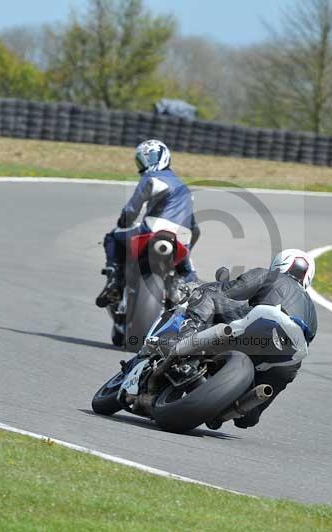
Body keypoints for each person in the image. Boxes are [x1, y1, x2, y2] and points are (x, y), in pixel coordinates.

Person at [181, 249, 318, 429]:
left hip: (262, 324)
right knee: (248, 418)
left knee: (209, 294)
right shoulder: (312, 311)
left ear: (279, 264)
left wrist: (204, 288)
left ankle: (186, 339)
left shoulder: (269, 275)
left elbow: (228, 293)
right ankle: (243, 406)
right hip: (288, 357)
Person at [96, 140, 199, 308]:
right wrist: (187, 247)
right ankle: (182, 291)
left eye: (149, 158)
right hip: (181, 238)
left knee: (112, 237)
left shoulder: (150, 177)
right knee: (189, 273)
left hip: (153, 230)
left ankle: (114, 281)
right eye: (142, 160)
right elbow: (195, 229)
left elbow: (132, 208)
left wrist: (123, 221)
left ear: (161, 156)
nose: (146, 164)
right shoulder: (185, 189)